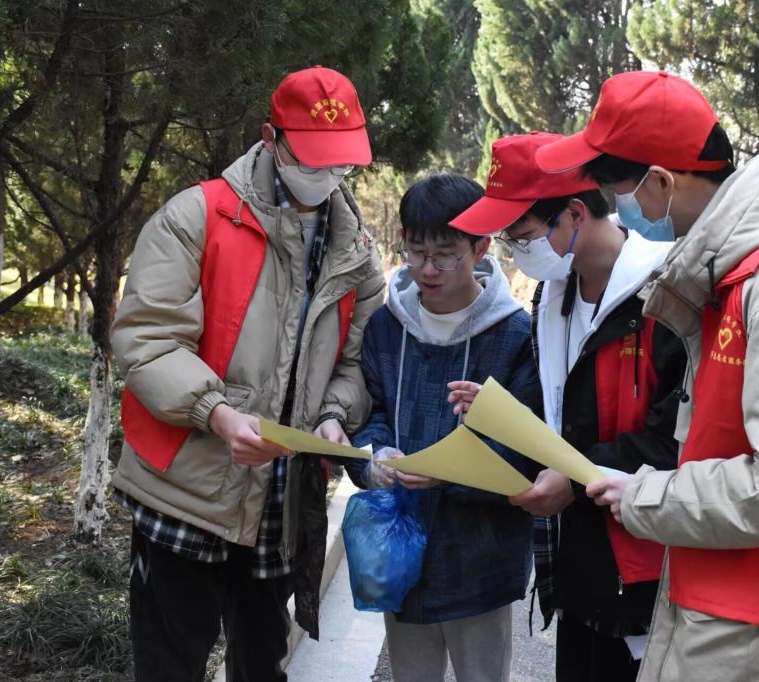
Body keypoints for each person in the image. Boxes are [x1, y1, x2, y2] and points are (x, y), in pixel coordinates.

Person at [536, 70, 759, 681]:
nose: (620, 212)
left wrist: (646, 495)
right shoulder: (731, 278)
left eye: (618, 191)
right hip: (749, 604)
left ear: (661, 182)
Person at [111, 66, 386, 682]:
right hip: (186, 488)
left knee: (262, 662)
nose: (326, 174)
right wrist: (215, 413)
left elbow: (355, 367)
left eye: (341, 162)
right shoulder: (198, 215)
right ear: (270, 138)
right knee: (169, 664)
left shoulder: (356, 254)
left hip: (281, 498)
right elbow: (148, 338)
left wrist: (334, 415)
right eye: (311, 158)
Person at [447, 132, 686, 682]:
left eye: (522, 236)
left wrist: (575, 481)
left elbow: (677, 438)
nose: (516, 253)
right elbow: (564, 413)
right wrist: (506, 417)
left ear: (575, 214)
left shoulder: (665, 296)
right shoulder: (553, 296)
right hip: (579, 560)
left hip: (647, 564)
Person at [343, 174, 540, 682]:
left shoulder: (516, 335)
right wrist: (374, 458)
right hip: (401, 556)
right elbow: (369, 410)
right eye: (416, 252)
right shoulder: (386, 327)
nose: (428, 269)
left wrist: (448, 473)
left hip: (482, 557)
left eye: (446, 256)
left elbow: (526, 449)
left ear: (480, 248)